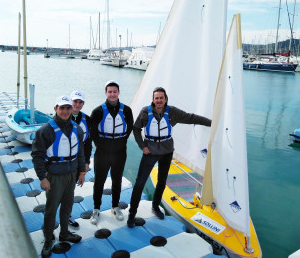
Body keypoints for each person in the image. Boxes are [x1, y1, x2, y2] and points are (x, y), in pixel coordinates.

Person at [127, 87, 211, 228]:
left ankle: (155, 206)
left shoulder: (172, 112)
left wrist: (211, 123)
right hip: (150, 152)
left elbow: (191, 118)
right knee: (139, 183)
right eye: (156, 98)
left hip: (167, 152)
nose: (159, 100)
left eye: (161, 98)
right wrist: (142, 146)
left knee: (162, 182)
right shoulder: (145, 112)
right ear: (153, 100)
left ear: (165, 99)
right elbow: (136, 129)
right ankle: (132, 214)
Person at [31, 95, 85, 258]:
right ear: (55, 109)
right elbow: (37, 155)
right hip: (54, 176)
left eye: (68, 108)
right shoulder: (45, 131)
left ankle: (64, 233)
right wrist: (43, 177)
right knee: (51, 209)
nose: (65, 111)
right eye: (62, 108)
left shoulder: (78, 129)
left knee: (67, 206)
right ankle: (48, 238)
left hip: (71, 174)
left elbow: (80, 152)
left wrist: (81, 172)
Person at [89, 80, 133, 224]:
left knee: (117, 179)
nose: (112, 94)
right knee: (99, 181)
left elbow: (129, 128)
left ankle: (115, 206)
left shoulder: (126, 110)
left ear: (118, 93)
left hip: (120, 151)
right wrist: (103, 145)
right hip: (102, 151)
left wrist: (119, 142)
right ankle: (96, 209)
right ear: (106, 93)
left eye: (115, 91)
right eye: (110, 92)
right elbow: (93, 132)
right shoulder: (98, 111)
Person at [67, 90, 92, 229]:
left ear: (83, 104)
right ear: (71, 101)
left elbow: (88, 142)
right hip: (62, 160)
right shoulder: (62, 115)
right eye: (75, 101)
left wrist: (86, 162)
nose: (77, 104)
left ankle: (67, 215)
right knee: (57, 190)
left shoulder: (87, 119)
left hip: (78, 159)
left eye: (80, 102)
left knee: (71, 189)